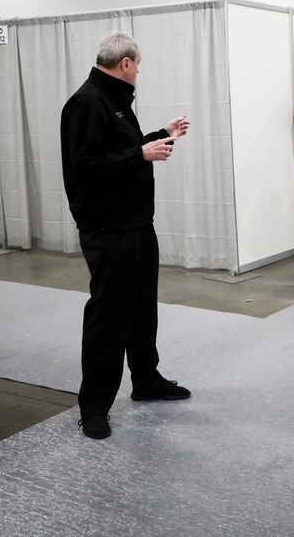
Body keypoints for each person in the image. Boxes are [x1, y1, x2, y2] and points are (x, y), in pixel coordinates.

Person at [60, 30, 192, 441]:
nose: (140, 72)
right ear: (126, 64)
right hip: (107, 231)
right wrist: (140, 153)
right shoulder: (86, 104)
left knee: (141, 310)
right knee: (107, 318)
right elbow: (85, 167)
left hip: (136, 226)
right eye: (139, 65)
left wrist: (155, 137)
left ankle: (146, 380)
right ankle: (94, 407)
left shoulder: (114, 102)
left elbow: (119, 149)